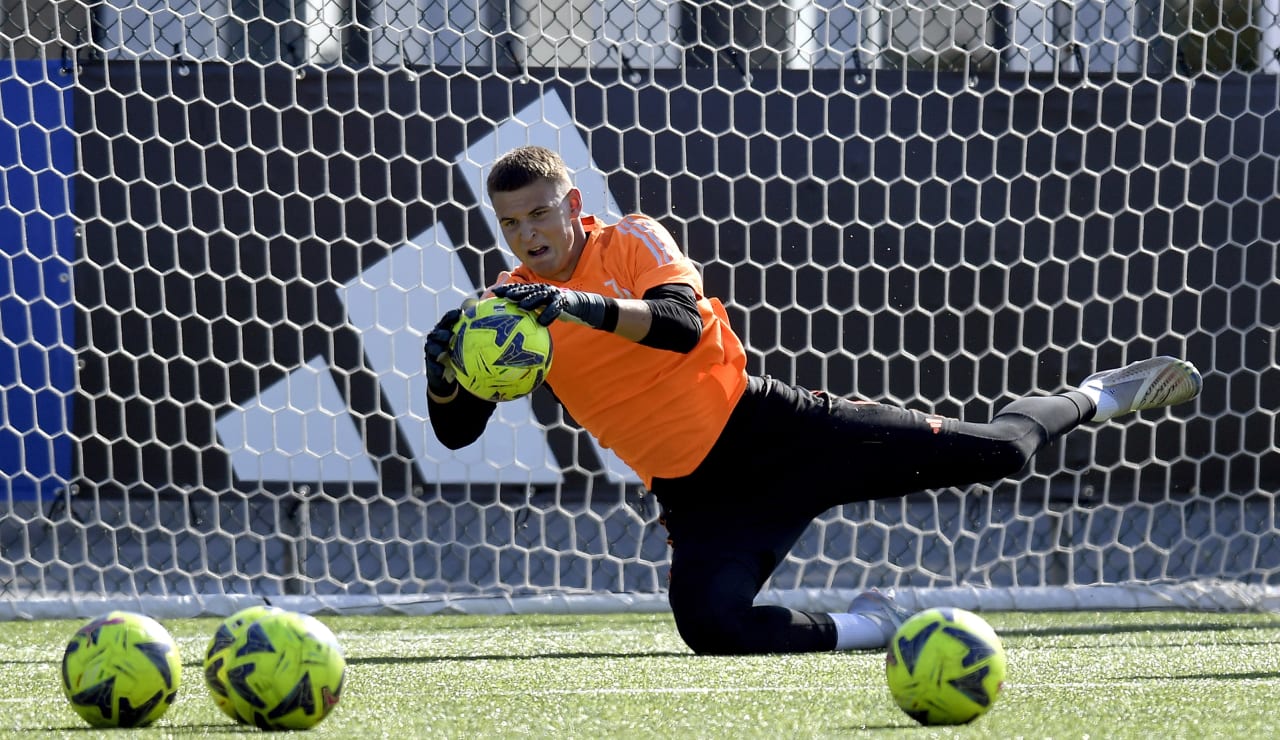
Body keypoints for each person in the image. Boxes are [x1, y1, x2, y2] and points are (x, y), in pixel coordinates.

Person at [424, 145, 1203, 655]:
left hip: (777, 429)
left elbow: (683, 325)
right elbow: (458, 432)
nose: (527, 235)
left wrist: (583, 309)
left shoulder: (628, 238)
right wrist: (444, 374)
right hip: (702, 498)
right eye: (510, 223)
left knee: (1002, 452)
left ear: (572, 205)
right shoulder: (505, 308)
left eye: (539, 214)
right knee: (711, 629)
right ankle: (875, 624)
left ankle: (1094, 394)